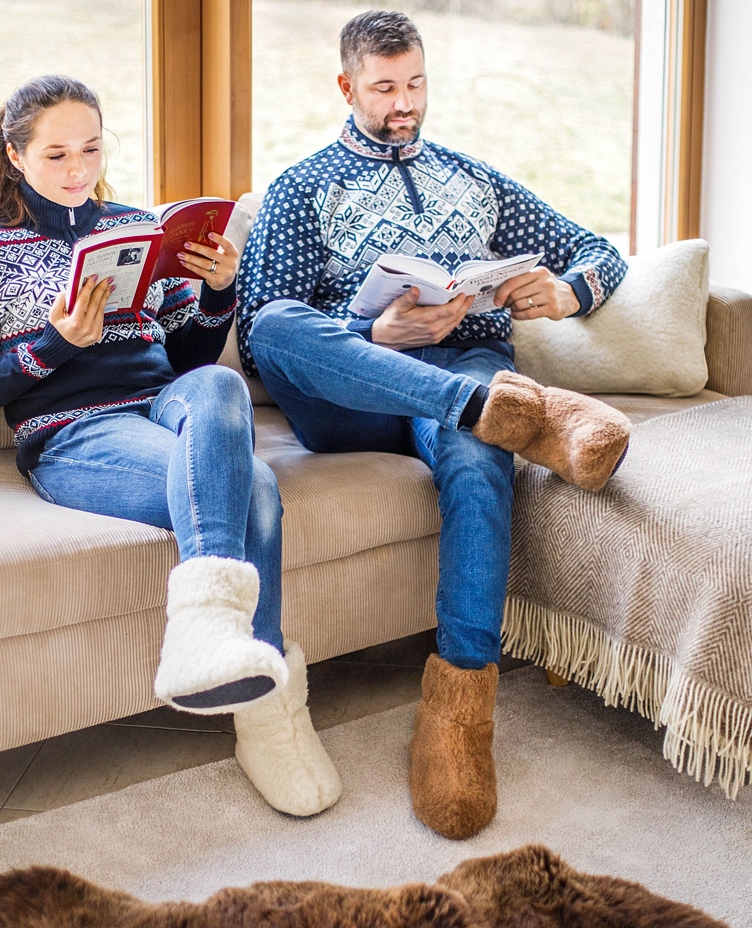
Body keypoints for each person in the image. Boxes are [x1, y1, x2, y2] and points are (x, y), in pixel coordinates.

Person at [237, 12, 630, 839]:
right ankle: (516, 414)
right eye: (385, 87)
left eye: (415, 83)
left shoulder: (473, 180)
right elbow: (260, 325)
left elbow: (598, 249)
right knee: (278, 324)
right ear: (346, 87)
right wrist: (373, 333)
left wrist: (568, 291)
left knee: (478, 458)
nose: (404, 103)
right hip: (355, 393)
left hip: (469, 365)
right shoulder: (303, 188)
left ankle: (458, 714)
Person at [0, 75, 341, 818]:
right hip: (72, 432)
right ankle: (268, 715)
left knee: (220, 385)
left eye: (91, 149)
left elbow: (190, 358)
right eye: (57, 154)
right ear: (16, 156)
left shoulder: (137, 230)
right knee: (253, 486)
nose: (78, 170)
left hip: (164, 404)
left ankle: (208, 635)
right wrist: (55, 343)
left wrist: (218, 291)